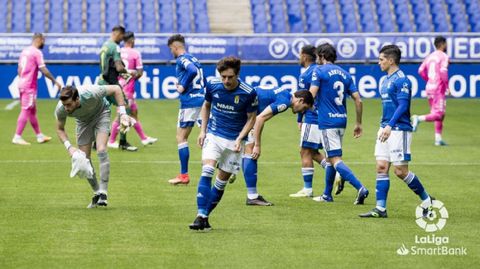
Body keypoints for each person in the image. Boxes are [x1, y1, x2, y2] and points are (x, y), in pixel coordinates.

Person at [360, 45, 434, 218]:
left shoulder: (402, 80)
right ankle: (380, 209)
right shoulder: (385, 80)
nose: (379, 63)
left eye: (381, 59)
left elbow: (402, 106)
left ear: (391, 60)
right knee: (381, 166)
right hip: (385, 127)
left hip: (399, 129)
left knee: (400, 171)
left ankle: (427, 201)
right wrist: (384, 125)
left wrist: (390, 125)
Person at [189, 56, 257, 231]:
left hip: (234, 141)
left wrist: (240, 138)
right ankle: (199, 215)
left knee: (220, 183)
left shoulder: (248, 93)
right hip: (214, 134)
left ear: (237, 74)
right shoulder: (212, 85)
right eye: (223, 77)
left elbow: (251, 119)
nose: (226, 80)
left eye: (230, 77)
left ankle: (204, 217)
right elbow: (206, 106)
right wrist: (203, 131)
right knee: (208, 170)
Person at [55, 85, 135, 208]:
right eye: (64, 105)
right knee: (84, 159)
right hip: (83, 122)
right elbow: (59, 129)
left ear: (77, 99)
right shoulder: (61, 109)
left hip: (101, 113)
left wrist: (123, 114)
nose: (66, 108)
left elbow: (116, 89)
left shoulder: (90, 93)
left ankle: (104, 192)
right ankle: (97, 192)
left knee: (101, 149)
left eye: (69, 104)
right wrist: (69, 147)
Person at [309, 43, 369, 204]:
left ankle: (360, 187)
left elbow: (311, 94)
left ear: (322, 56)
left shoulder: (319, 71)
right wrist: (358, 123)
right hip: (341, 119)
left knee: (334, 159)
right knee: (330, 157)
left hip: (327, 121)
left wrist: (306, 106)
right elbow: (358, 100)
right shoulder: (345, 74)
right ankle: (327, 195)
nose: (316, 60)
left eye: (317, 57)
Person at [241, 86, 314, 204]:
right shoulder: (285, 103)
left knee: (246, 148)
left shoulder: (285, 94)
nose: (302, 111)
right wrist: (258, 145)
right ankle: (252, 196)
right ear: (300, 100)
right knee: (251, 150)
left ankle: (232, 166)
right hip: (244, 110)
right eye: (304, 108)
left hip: (244, 107)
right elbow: (260, 119)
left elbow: (260, 118)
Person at [289, 45, 329, 198]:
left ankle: (308, 189)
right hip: (323, 116)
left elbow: (304, 99)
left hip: (311, 117)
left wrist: (300, 118)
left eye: (300, 55)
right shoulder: (320, 71)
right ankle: (336, 171)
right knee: (312, 152)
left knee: (304, 151)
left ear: (305, 56)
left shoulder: (306, 75)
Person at [167, 34, 206, 185]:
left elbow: (191, 71)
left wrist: (182, 85)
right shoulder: (194, 58)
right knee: (207, 136)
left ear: (176, 47)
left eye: (171, 49)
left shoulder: (182, 59)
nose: (171, 52)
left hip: (190, 102)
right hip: (202, 101)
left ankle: (184, 175)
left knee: (181, 138)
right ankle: (222, 166)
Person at [108, 31, 157, 147]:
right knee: (121, 114)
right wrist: (133, 75)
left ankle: (144, 138)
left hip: (119, 84)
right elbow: (140, 72)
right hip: (128, 87)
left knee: (134, 112)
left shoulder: (118, 51)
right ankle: (111, 141)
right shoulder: (135, 53)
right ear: (132, 40)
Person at [12, 33, 62, 145]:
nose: (44, 43)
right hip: (29, 86)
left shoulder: (25, 51)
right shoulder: (37, 52)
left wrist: (22, 80)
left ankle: (39, 136)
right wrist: (55, 81)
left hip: (22, 83)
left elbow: (19, 69)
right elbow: (43, 69)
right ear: (38, 40)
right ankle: (17, 136)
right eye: (43, 40)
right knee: (26, 110)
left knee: (32, 111)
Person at [99, 25, 137, 151]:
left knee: (100, 112)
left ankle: (95, 141)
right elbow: (119, 67)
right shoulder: (114, 46)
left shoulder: (105, 45)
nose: (122, 38)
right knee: (125, 108)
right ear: (117, 33)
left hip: (102, 82)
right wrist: (127, 74)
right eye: (122, 35)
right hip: (111, 84)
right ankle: (123, 141)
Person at [412, 36, 449, 146]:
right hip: (438, 89)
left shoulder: (430, 56)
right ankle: (418, 118)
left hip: (430, 87)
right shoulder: (444, 56)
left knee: (439, 114)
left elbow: (420, 70)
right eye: (446, 44)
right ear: (442, 44)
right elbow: (443, 71)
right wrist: (446, 86)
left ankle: (438, 139)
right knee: (439, 114)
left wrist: (429, 80)